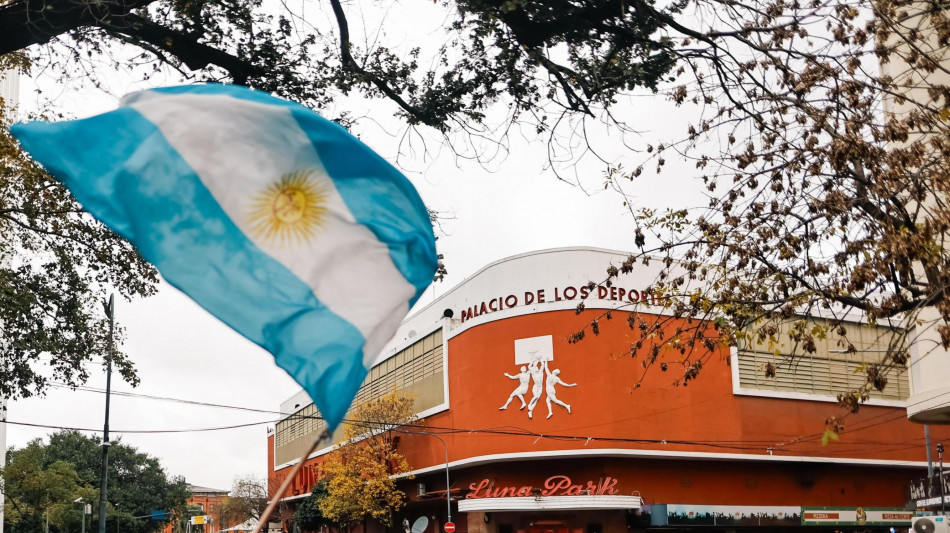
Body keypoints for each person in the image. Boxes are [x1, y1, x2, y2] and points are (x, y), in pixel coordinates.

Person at [526, 353, 546, 419]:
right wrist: (532, 361)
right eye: (536, 367)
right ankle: (529, 404)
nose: (537, 368)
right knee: (536, 396)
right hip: (535, 387)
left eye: (537, 367)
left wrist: (541, 359)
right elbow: (529, 367)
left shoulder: (541, 372)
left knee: (536, 399)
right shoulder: (534, 374)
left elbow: (542, 365)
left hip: (540, 387)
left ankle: (530, 411)